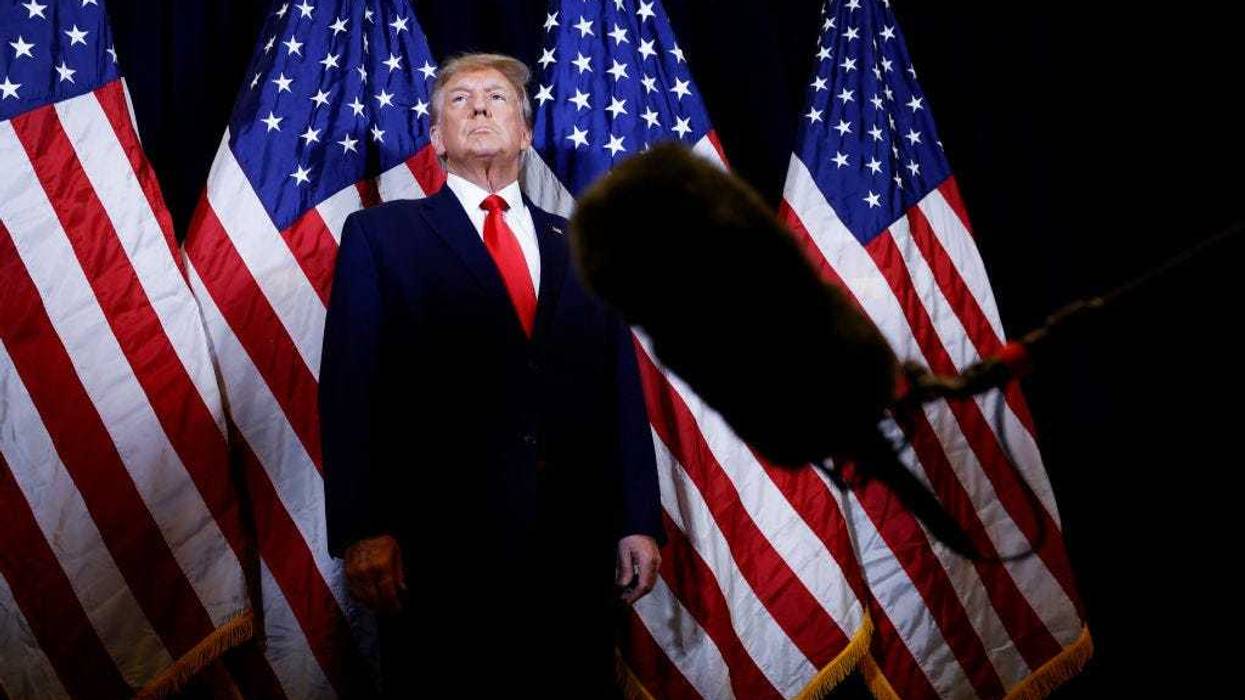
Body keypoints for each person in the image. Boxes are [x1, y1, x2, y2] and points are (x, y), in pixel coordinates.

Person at [319, 53, 663, 696]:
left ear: (527, 132)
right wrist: (362, 529)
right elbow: (349, 388)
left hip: (573, 548)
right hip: (438, 551)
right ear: (436, 139)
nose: (479, 107)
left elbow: (620, 393)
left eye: (497, 97)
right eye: (460, 99)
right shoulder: (380, 235)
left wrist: (638, 516)